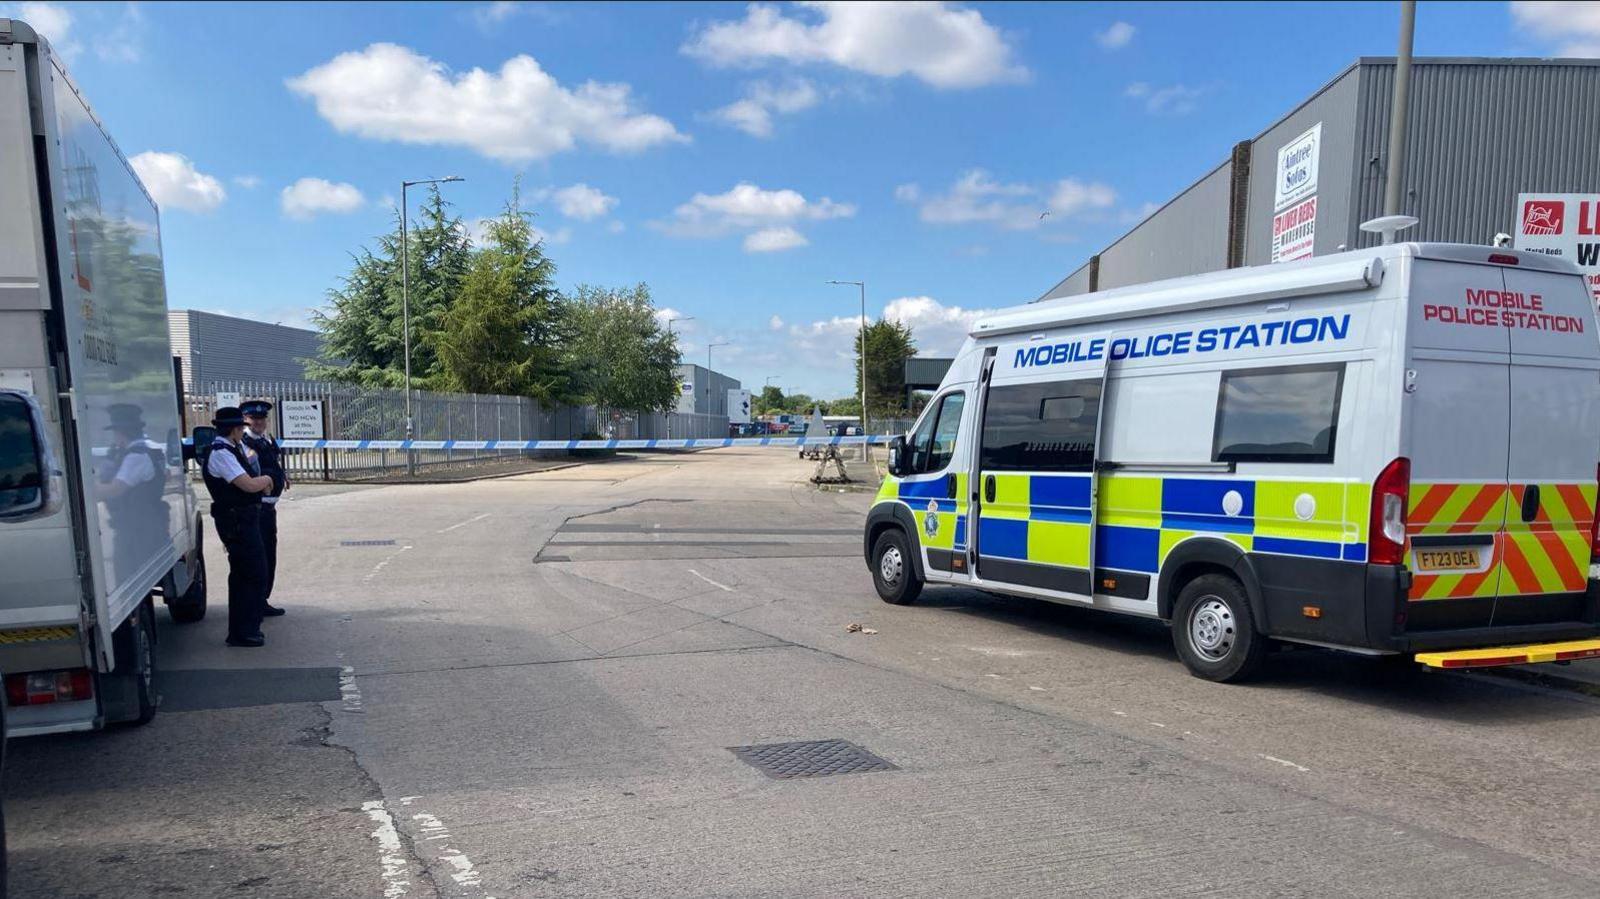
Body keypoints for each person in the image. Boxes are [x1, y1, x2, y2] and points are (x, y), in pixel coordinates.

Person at [201, 407, 275, 647]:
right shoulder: (221, 453)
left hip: (243, 519)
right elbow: (248, 484)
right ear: (234, 429)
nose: (243, 432)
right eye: (242, 428)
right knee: (249, 574)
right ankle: (243, 632)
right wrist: (266, 481)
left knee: (252, 572)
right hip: (236, 521)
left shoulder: (232, 448)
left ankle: (248, 628)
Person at [98, 403, 168, 582]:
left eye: (115, 432)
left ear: (121, 432)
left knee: (129, 579)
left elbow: (116, 489)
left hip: (138, 530)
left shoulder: (136, 456)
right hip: (142, 526)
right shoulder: (141, 451)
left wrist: (87, 490)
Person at [241, 400, 288, 616]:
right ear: (245, 420)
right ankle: (256, 602)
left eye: (261, 419)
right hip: (256, 508)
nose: (258, 422)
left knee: (269, 555)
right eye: (254, 419)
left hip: (269, 508)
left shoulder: (266, 440)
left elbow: (272, 463)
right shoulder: (243, 443)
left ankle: (263, 599)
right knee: (259, 557)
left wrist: (282, 477)